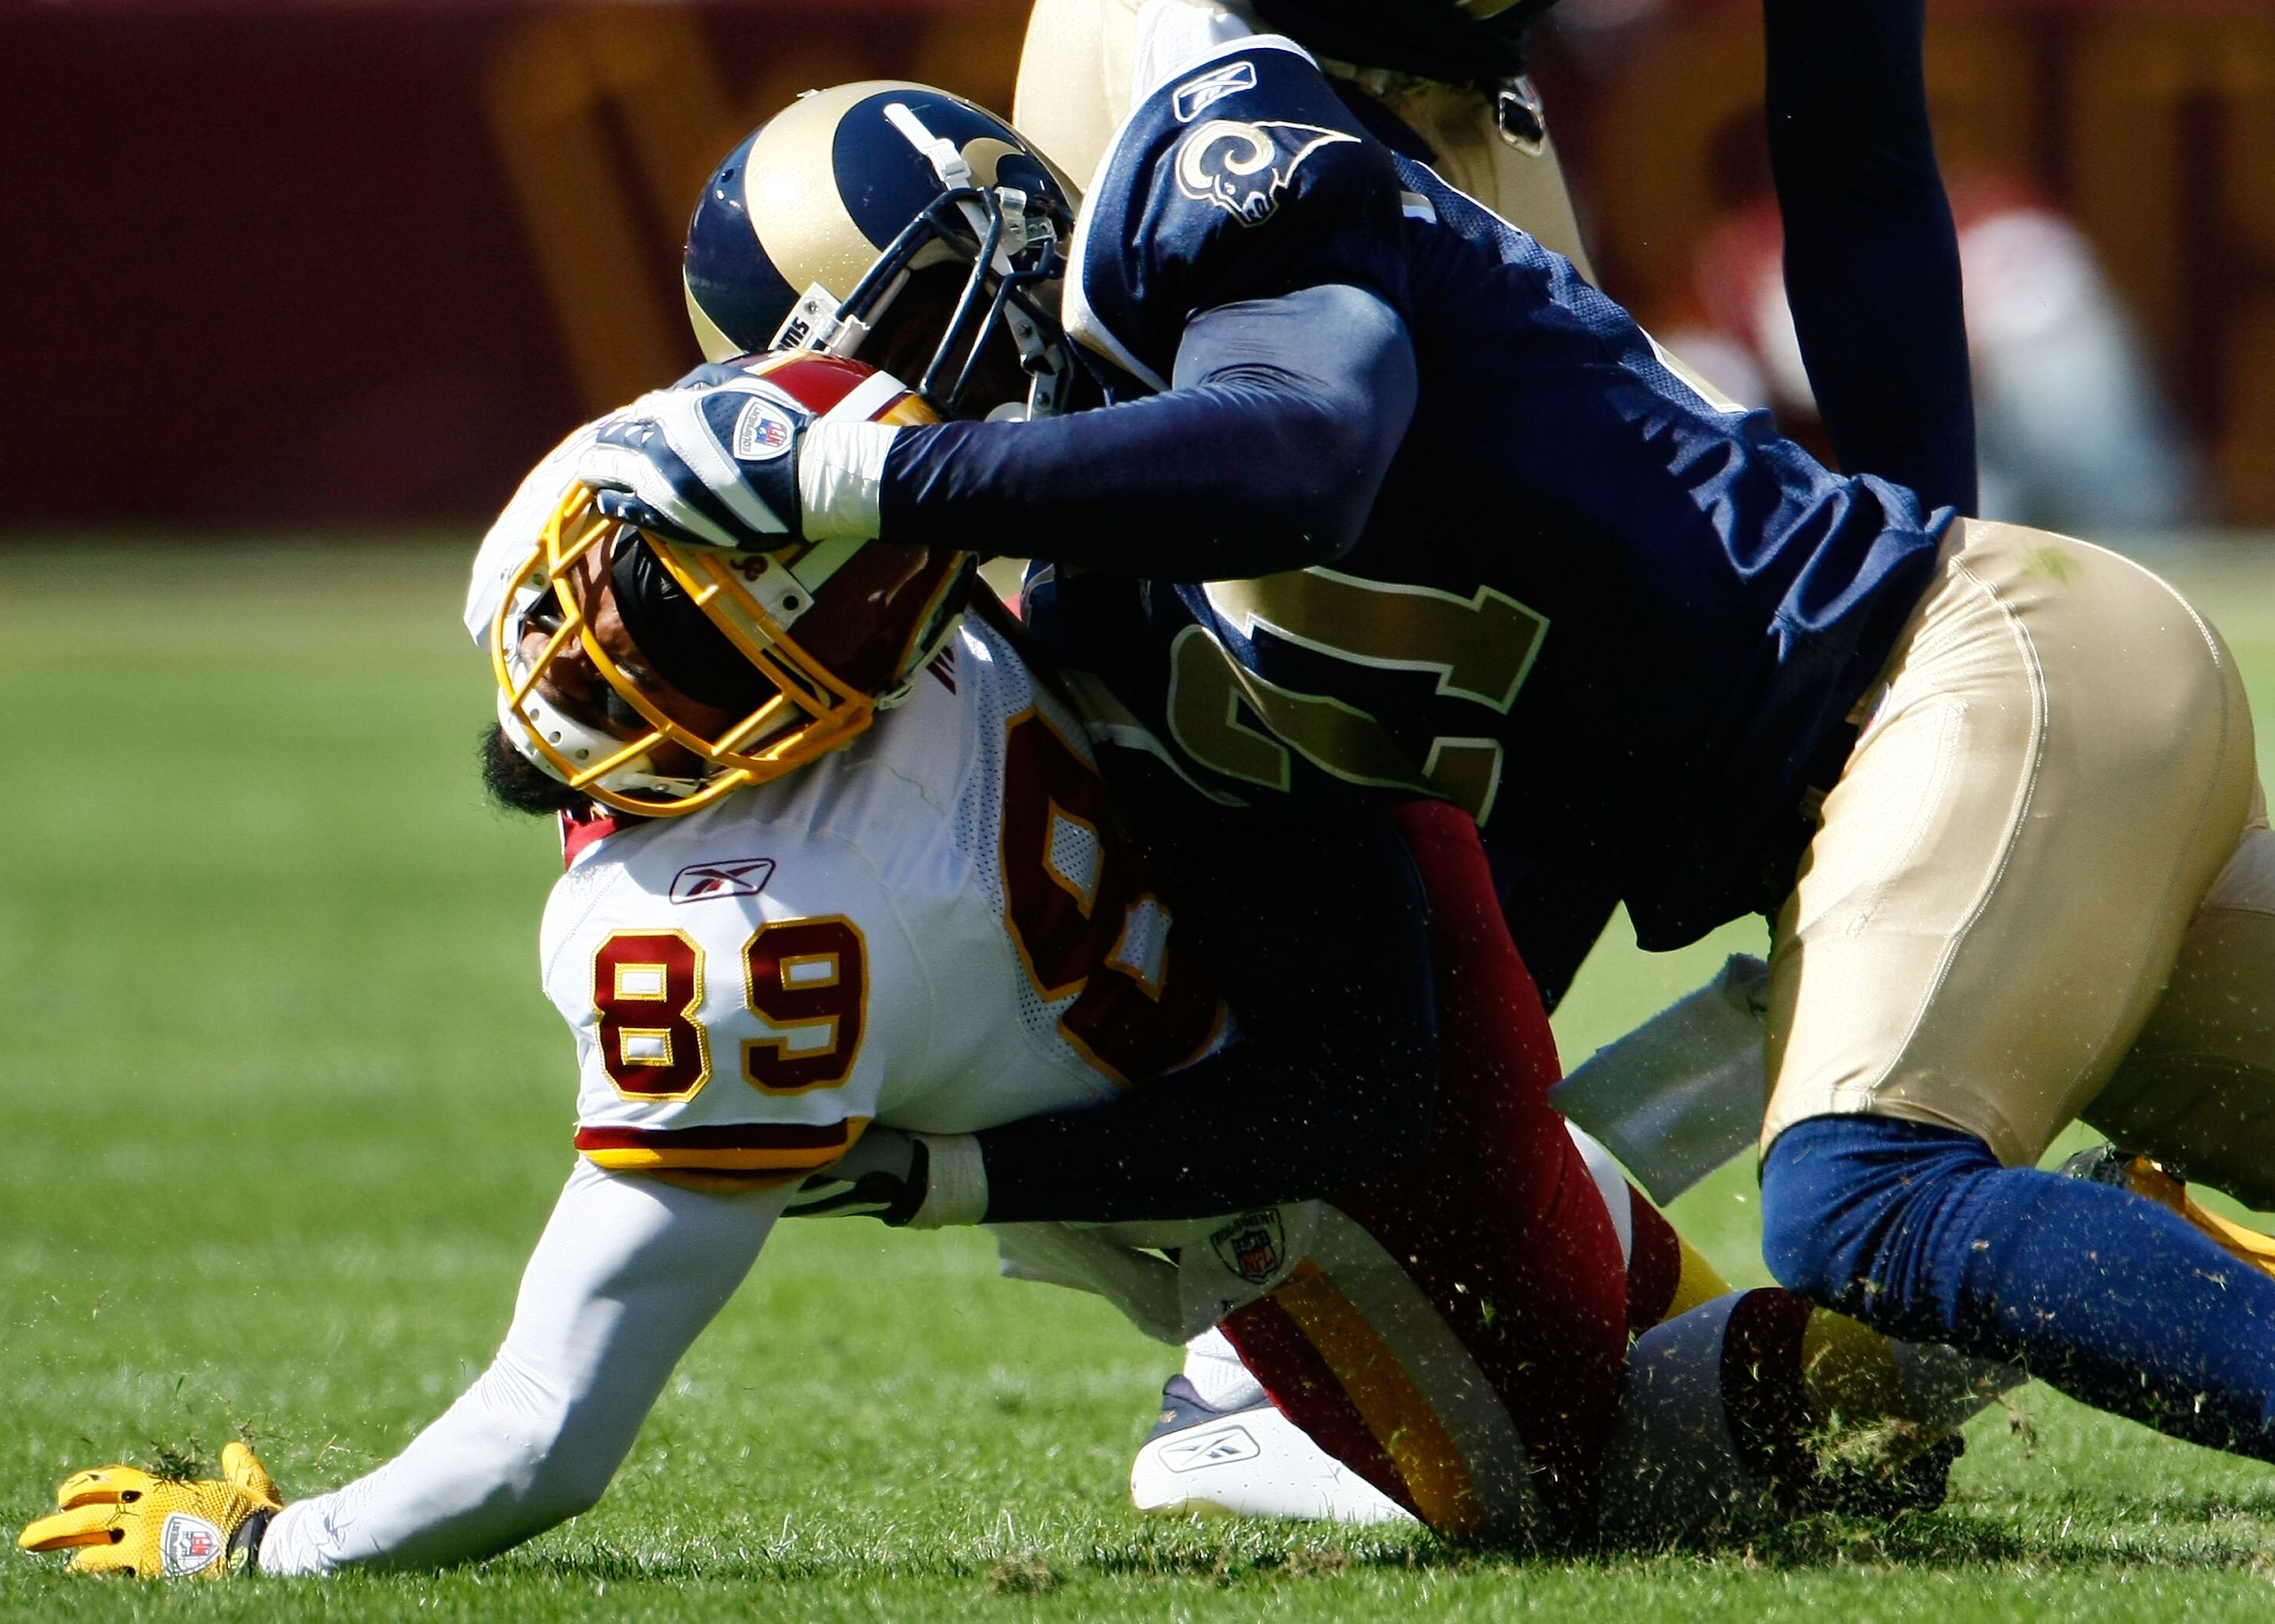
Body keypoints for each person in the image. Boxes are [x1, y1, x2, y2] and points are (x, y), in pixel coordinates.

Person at [19, 359, 1984, 1578]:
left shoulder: (737, 949)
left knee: (1625, 1475)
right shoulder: (883, 537)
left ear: (815, 689)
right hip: (1363, 892)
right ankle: (1790, 1035)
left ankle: (1990, 1250)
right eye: (632, 592)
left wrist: (253, 1546)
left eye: (698, 647)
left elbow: (543, 1437)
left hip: (1309, 1157)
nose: (597, 658)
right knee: (1373, 1321)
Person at [608, 58, 2275, 1477]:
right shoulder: (1111, 630)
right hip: (1896, 791)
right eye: (834, 399)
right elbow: (1356, 1080)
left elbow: (1304, 449)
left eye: (896, 361)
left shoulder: (1213, 183)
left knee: (1861, 1204)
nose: (890, 414)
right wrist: (947, 1172)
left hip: (1952, 664)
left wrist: (874, 474)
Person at [1007, 0, 1979, 528]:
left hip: (1462, 101)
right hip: (1199, 49)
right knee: (1210, 623)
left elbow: (1856, 171)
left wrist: (1942, 565)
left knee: (1637, 610)